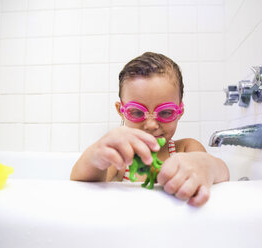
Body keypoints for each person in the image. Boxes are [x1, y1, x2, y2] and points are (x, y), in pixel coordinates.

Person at [70, 52, 229, 207]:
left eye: (166, 112)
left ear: (180, 111)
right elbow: (81, 186)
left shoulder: (186, 149)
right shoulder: (121, 158)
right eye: (137, 112)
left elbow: (222, 172)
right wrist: (94, 156)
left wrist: (206, 165)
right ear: (121, 110)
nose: (152, 125)